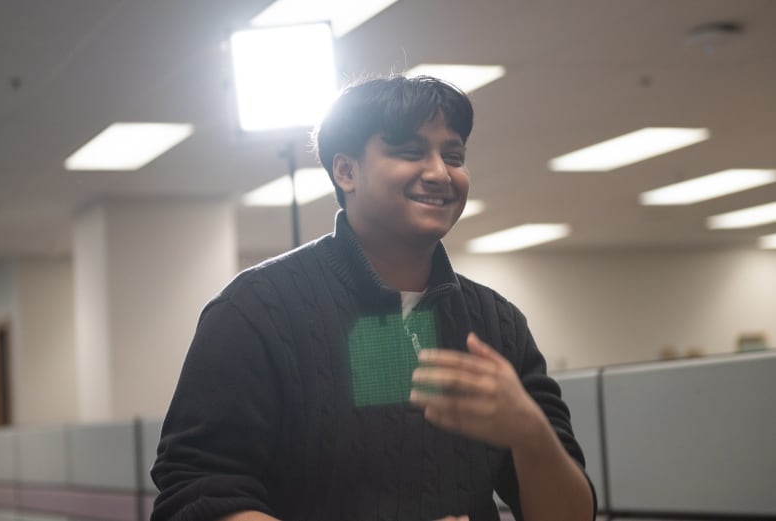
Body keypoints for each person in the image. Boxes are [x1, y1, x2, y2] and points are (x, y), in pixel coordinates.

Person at [151, 75, 596, 521]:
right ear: (346, 171)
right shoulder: (256, 310)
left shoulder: (497, 324)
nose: (440, 173)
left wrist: (532, 436)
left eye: (454, 155)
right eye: (410, 152)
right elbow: (195, 496)